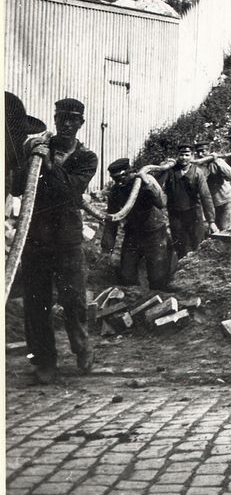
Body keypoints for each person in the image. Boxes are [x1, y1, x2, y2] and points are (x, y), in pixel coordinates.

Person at [19, 98, 98, 384]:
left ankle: (81, 347)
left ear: (80, 124)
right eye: (62, 118)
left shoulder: (87, 158)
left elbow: (69, 190)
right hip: (36, 239)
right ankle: (44, 361)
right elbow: (17, 187)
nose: (66, 124)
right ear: (55, 120)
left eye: (72, 120)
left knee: (74, 300)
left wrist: (47, 162)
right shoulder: (37, 151)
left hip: (67, 240)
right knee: (36, 302)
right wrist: (26, 155)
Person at [101, 158, 174, 290]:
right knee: (126, 275)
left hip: (154, 232)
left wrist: (147, 183)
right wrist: (107, 248)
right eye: (115, 179)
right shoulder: (116, 191)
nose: (119, 182)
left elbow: (161, 203)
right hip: (133, 233)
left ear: (130, 173)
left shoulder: (144, 182)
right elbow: (112, 221)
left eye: (121, 177)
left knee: (158, 276)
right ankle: (132, 301)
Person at [159, 143, 217, 258]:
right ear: (177, 156)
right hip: (175, 215)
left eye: (187, 155)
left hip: (193, 214)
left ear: (192, 156)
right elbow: (158, 185)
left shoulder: (197, 172)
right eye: (181, 155)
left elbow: (206, 197)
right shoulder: (170, 171)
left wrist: (211, 221)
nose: (184, 158)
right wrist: (163, 168)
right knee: (180, 246)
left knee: (197, 244)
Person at [193, 139, 231, 232]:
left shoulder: (217, 161)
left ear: (208, 151)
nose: (201, 154)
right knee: (215, 231)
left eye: (203, 151)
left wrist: (216, 160)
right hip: (211, 204)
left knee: (226, 229)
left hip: (225, 199)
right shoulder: (199, 166)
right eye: (198, 152)